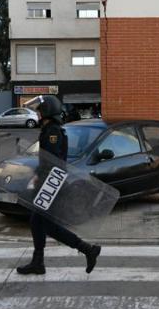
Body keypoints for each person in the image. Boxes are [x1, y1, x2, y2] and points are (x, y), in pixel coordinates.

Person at [16, 95, 101, 275]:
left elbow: (52, 161)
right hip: (49, 182)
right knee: (40, 223)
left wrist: (40, 177)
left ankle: (86, 249)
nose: (38, 114)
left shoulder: (53, 131)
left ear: (47, 111)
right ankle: (40, 261)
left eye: (40, 110)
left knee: (43, 224)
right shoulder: (50, 129)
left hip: (51, 183)